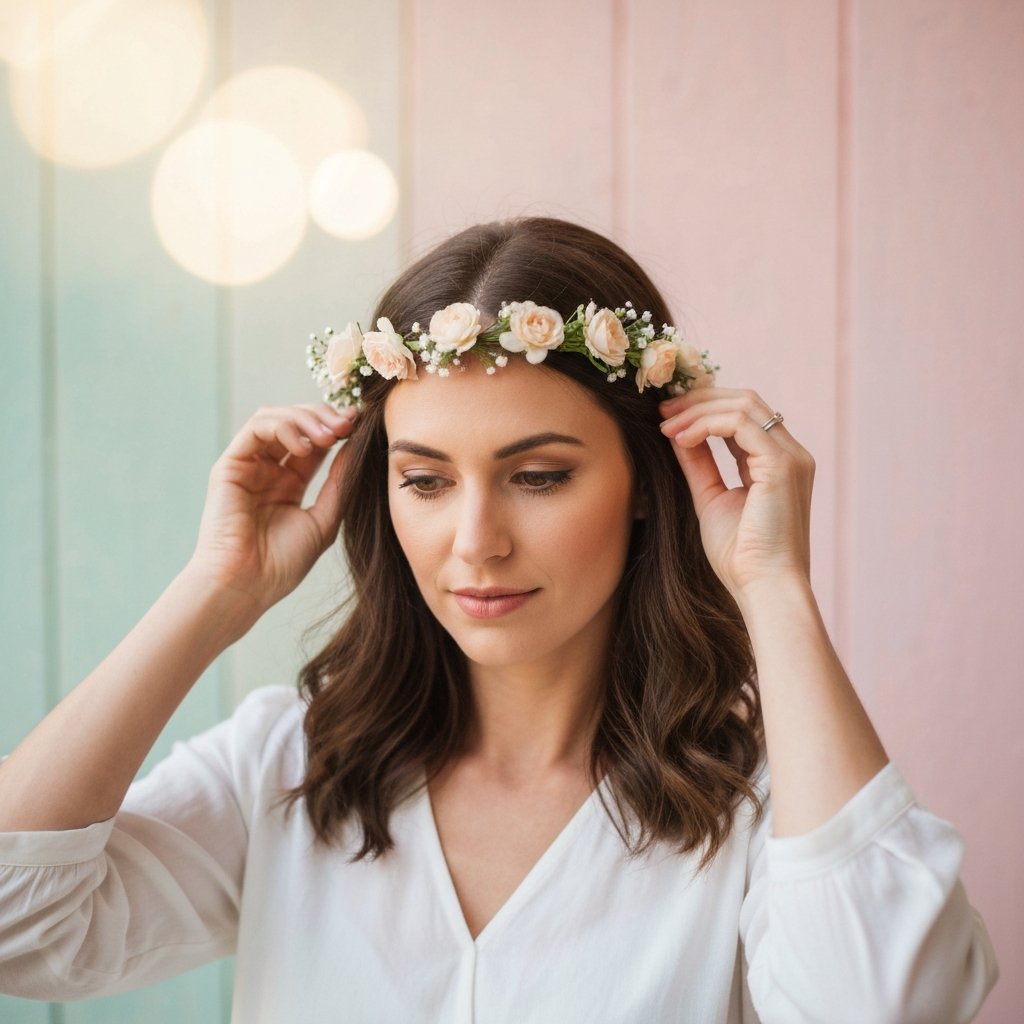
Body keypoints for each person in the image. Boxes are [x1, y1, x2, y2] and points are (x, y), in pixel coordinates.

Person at [0, 216, 998, 1022]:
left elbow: (888, 1004)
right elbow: (17, 926)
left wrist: (771, 583)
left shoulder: (763, 809)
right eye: (425, 479)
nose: (474, 540)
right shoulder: (289, 768)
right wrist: (216, 591)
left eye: (539, 476)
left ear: (646, 483)